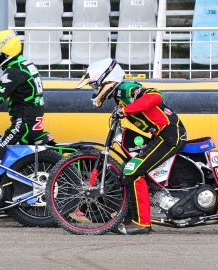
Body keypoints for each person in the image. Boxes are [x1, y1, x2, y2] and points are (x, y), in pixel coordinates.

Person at [74, 58, 187, 235]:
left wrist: (127, 111)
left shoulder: (126, 89)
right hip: (161, 135)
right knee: (133, 167)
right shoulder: (119, 97)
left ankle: (142, 223)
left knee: (132, 171)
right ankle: (131, 215)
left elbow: (157, 96)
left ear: (107, 80)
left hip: (170, 135)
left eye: (96, 85)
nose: (95, 90)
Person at [0, 29, 54, 149]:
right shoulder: (25, 65)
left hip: (23, 126)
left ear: (3, 52)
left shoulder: (15, 72)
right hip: (32, 123)